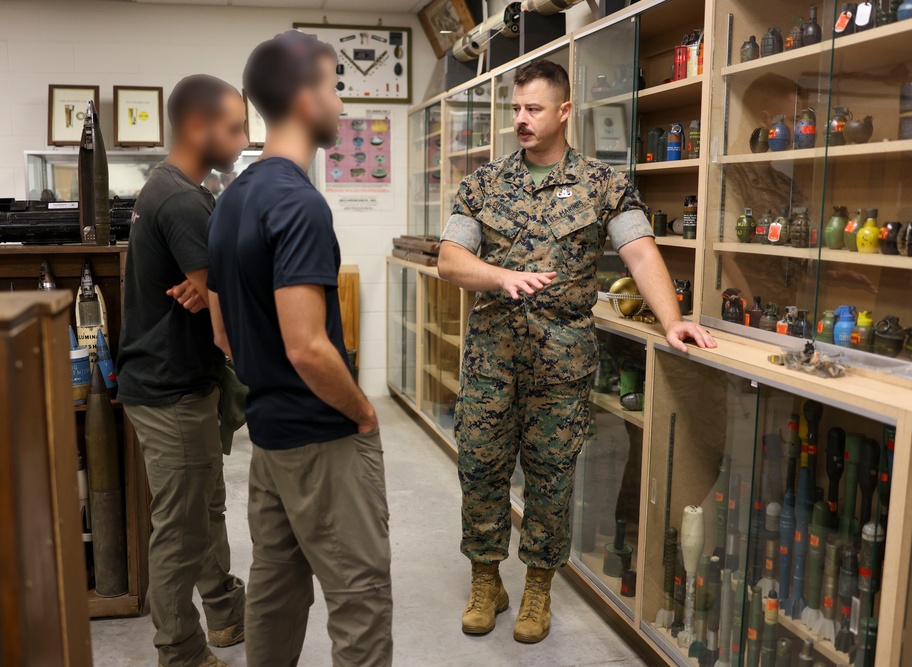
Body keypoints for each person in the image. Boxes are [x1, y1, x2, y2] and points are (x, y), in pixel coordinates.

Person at [437, 59, 717, 644]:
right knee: (480, 469)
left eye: (534, 109)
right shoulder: (483, 183)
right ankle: (486, 580)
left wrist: (672, 322)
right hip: (492, 361)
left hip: (562, 364)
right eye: (515, 108)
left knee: (551, 478)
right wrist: (499, 276)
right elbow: (450, 260)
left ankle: (538, 585)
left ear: (565, 111)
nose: (521, 120)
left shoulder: (605, 185)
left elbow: (640, 253)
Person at [206, 30, 392, 667]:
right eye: (335, 87)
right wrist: (363, 414)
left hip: (270, 435)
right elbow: (309, 346)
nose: (340, 103)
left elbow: (223, 332)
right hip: (322, 438)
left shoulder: (231, 200)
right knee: (360, 597)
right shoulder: (299, 203)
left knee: (277, 589)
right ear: (307, 97)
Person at [116, 75, 250, 667]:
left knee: (203, 509)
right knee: (181, 529)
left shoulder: (174, 190)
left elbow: (214, 285)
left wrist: (210, 289)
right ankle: (182, 652)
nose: (244, 139)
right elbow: (228, 325)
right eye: (235, 127)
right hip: (170, 392)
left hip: (180, 385)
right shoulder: (183, 200)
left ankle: (223, 612)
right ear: (198, 128)